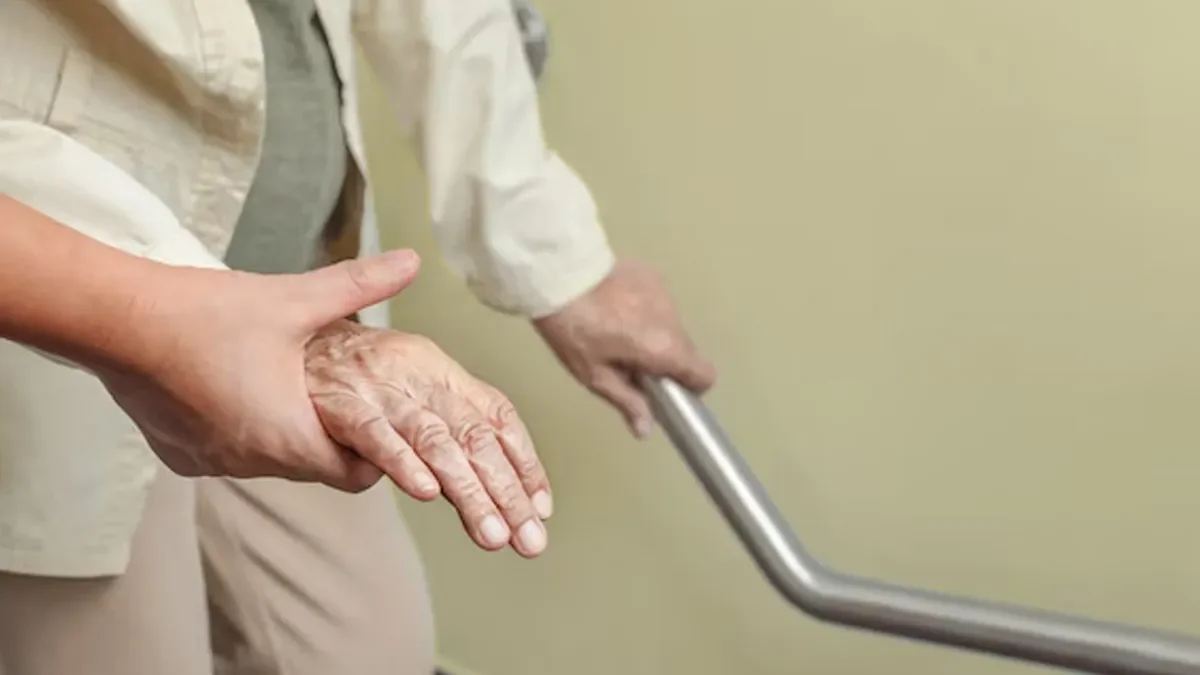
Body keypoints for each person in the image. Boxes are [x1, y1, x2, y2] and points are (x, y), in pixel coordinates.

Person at [0, 1, 715, 674]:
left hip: (297, 298)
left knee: (370, 647)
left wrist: (552, 255)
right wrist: (160, 314)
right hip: (67, 310)